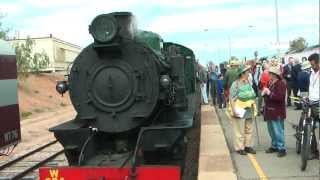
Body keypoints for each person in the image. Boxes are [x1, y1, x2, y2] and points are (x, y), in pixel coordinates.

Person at [228, 64, 257, 155]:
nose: (249, 73)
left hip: (249, 108)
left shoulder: (248, 82)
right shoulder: (235, 84)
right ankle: (240, 148)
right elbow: (232, 98)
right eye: (247, 71)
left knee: (249, 128)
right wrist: (234, 110)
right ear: (242, 73)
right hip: (239, 108)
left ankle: (247, 146)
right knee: (239, 129)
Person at [262, 65, 287, 157]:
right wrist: (264, 93)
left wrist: (269, 93)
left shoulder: (281, 83)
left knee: (278, 130)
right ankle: (274, 145)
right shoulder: (270, 82)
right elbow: (268, 96)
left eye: (270, 73)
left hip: (277, 111)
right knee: (271, 130)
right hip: (270, 110)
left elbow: (280, 98)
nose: (268, 75)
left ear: (274, 74)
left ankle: (281, 148)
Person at [307, 53, 319, 159]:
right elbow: (311, 87)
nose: (312, 67)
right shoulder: (311, 73)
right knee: (311, 128)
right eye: (311, 65)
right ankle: (314, 151)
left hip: (319, 104)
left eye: (314, 65)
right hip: (311, 103)